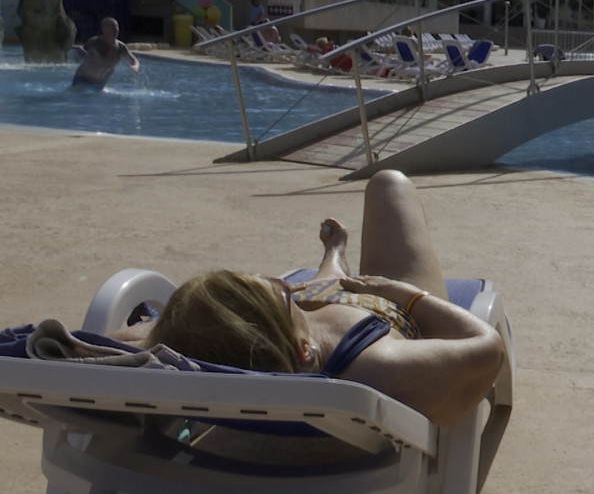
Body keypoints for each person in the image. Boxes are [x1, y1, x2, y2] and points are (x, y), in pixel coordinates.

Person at [110, 170, 505, 426]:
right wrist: (405, 294)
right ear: (302, 350)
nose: (284, 283)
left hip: (323, 325)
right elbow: (486, 349)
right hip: (393, 310)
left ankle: (334, 256)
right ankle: (336, 260)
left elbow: (98, 346)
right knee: (389, 184)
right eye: (283, 296)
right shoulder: (382, 370)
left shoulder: (192, 355)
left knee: (318, 295)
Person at [70, 17, 140, 91]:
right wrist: (79, 56)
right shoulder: (94, 42)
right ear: (104, 29)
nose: (116, 30)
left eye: (117, 27)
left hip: (100, 83)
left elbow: (134, 60)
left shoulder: (121, 47)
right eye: (112, 27)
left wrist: (135, 66)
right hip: (83, 79)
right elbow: (78, 58)